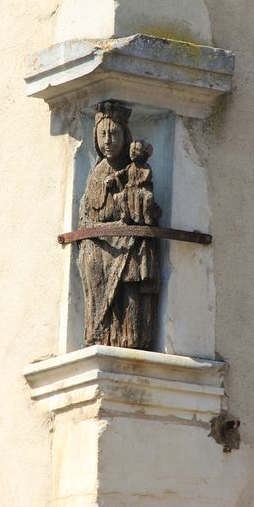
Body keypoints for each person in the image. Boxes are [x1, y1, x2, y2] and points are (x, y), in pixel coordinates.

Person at [78, 101, 160, 350]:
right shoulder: (95, 173)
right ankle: (99, 333)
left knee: (129, 293)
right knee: (97, 292)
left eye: (114, 133)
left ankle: (128, 336)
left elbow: (141, 207)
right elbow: (88, 211)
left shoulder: (132, 170)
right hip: (98, 248)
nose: (108, 140)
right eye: (103, 134)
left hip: (126, 245)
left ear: (125, 136)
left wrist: (128, 198)